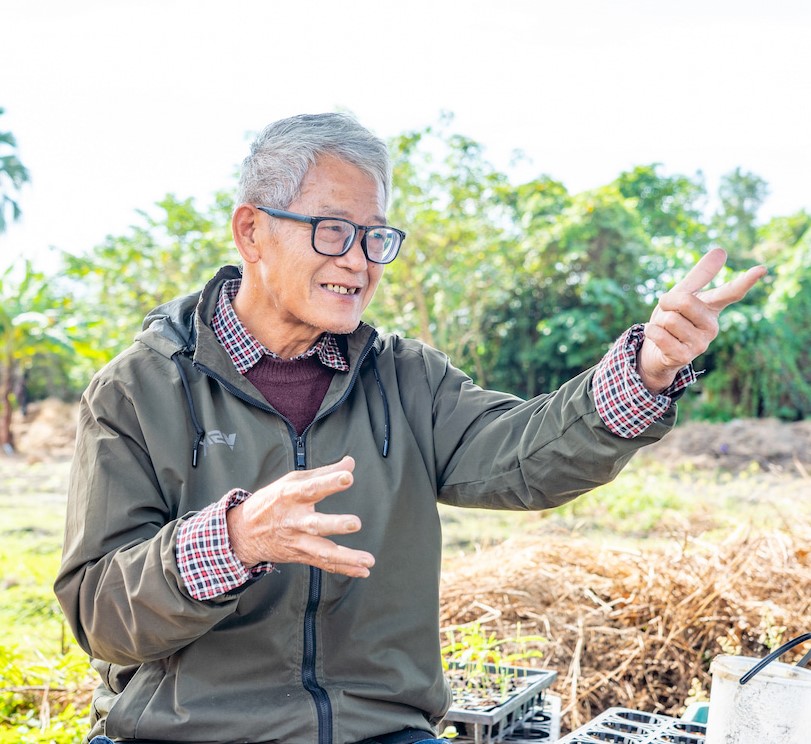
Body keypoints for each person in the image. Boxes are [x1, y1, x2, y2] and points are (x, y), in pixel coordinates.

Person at [54, 113, 766, 744]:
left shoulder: (406, 378)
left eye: (375, 237)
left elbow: (523, 456)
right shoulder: (139, 389)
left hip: (378, 730)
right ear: (252, 231)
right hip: (188, 732)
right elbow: (102, 616)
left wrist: (644, 370)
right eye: (332, 231)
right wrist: (234, 542)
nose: (359, 261)